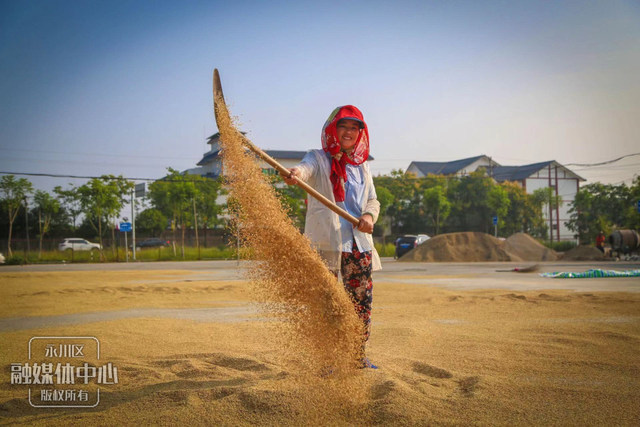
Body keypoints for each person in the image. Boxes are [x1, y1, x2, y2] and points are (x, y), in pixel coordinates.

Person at [281, 105, 381, 369]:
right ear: (332, 129)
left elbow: (372, 199)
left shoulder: (363, 166)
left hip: (358, 245)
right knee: (325, 304)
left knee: (360, 304)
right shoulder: (318, 157)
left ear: (360, 133)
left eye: (354, 128)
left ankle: (357, 356)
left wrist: (369, 217)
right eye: (343, 126)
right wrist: (295, 174)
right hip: (326, 244)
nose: (348, 132)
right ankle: (327, 360)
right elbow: (305, 170)